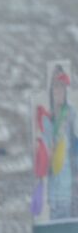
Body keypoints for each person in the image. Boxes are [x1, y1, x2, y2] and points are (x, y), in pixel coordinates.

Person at [36, 65, 75, 220]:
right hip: (53, 190)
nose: (58, 90)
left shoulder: (71, 115)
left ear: (66, 90)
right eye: (55, 86)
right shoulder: (48, 119)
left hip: (69, 187)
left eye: (61, 86)